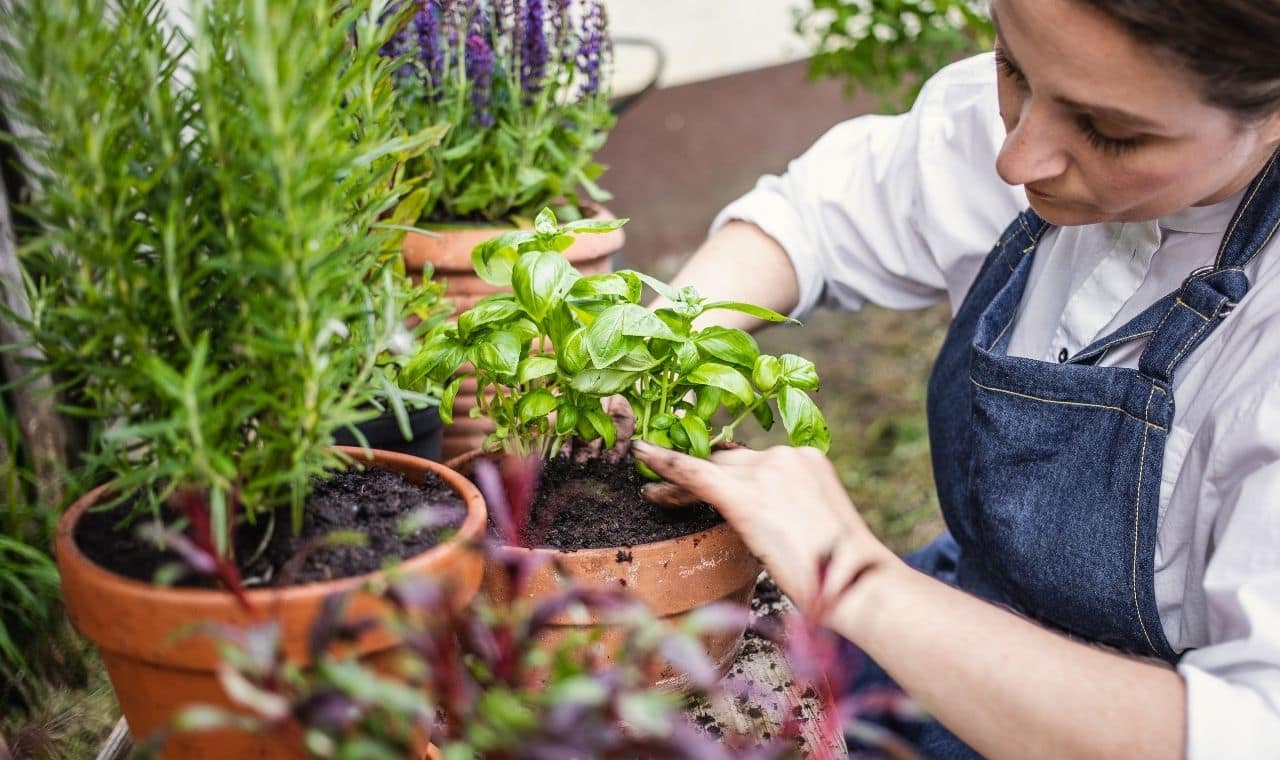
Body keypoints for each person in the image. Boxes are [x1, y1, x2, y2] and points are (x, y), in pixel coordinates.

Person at [629, 1, 1280, 757]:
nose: (1016, 159)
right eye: (1012, 67)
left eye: (1110, 132)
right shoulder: (1049, 91)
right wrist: (658, 351)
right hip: (944, 623)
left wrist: (856, 577)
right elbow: (814, 220)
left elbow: (1248, 731)